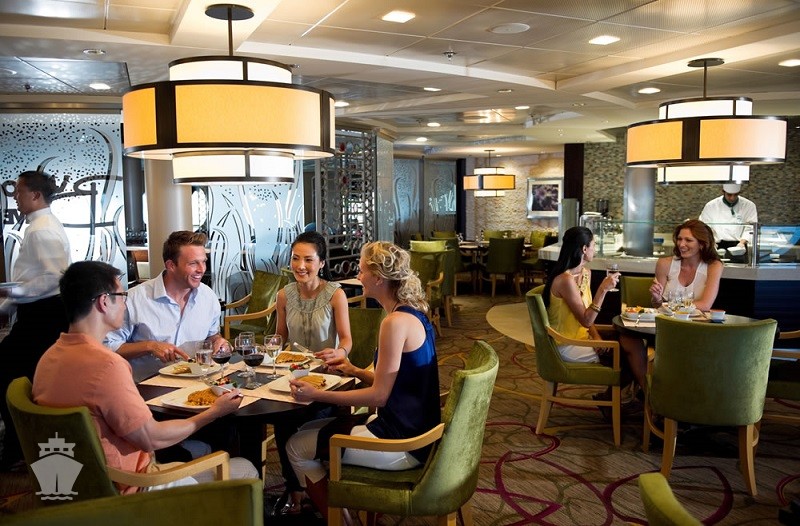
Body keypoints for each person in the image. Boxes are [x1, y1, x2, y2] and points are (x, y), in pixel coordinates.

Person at [31, 261, 258, 493]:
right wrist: (214, 412)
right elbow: (151, 438)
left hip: (77, 484)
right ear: (104, 302)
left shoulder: (49, 358)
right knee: (246, 470)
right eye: (122, 296)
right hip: (131, 488)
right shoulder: (108, 366)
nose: (125, 303)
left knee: (199, 448)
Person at [285, 241, 440, 518]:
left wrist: (316, 394)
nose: (358, 276)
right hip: (416, 430)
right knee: (309, 430)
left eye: (361, 270)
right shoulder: (411, 313)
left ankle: (339, 521)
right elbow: (396, 381)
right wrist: (354, 370)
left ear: (378, 278)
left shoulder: (393, 323)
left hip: (402, 443)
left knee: (296, 447)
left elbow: (379, 396)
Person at [272, 231, 353, 514]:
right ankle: (295, 489)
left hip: (327, 377)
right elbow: (280, 336)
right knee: (282, 418)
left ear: (321, 263)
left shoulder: (336, 294)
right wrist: (271, 348)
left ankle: (316, 488)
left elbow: (346, 339)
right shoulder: (284, 294)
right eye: (296, 258)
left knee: (306, 421)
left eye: (308, 259)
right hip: (292, 375)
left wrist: (340, 352)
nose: (300, 265)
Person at [0, 170, 70, 471]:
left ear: (36, 195)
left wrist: (11, 293)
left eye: (19, 191)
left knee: (12, 378)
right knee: (22, 380)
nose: (15, 196)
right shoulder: (40, 226)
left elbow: (53, 279)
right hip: (40, 314)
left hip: (44, 316)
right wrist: (9, 303)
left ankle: (19, 451)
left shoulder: (41, 230)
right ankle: (21, 449)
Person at [105, 230, 230, 383]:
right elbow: (108, 347)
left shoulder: (208, 297)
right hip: (146, 388)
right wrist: (149, 346)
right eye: (193, 263)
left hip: (196, 383)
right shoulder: (134, 299)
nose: (201, 269)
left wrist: (218, 342)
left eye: (203, 261)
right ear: (171, 265)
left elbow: (212, 335)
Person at [543, 226, 647, 395]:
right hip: (566, 344)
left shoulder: (585, 273)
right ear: (584, 249)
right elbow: (586, 320)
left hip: (585, 338)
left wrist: (596, 336)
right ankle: (646, 398)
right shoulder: (565, 280)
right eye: (593, 245)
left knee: (633, 343)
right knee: (632, 356)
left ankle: (627, 398)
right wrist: (603, 290)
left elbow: (585, 314)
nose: (595, 249)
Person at [649, 219, 723, 313]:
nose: (681, 244)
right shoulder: (664, 264)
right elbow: (657, 305)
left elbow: (705, 305)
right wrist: (657, 299)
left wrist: (671, 305)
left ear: (702, 244)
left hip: (697, 320)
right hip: (668, 319)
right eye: (679, 239)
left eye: (688, 240)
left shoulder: (714, 266)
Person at [699, 183, 758, 263]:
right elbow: (704, 227)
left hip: (739, 247)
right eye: (729, 195)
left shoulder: (749, 205)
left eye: (735, 195)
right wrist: (711, 242)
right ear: (723, 192)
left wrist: (742, 243)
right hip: (716, 246)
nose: (732, 198)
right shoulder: (711, 206)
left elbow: (751, 228)